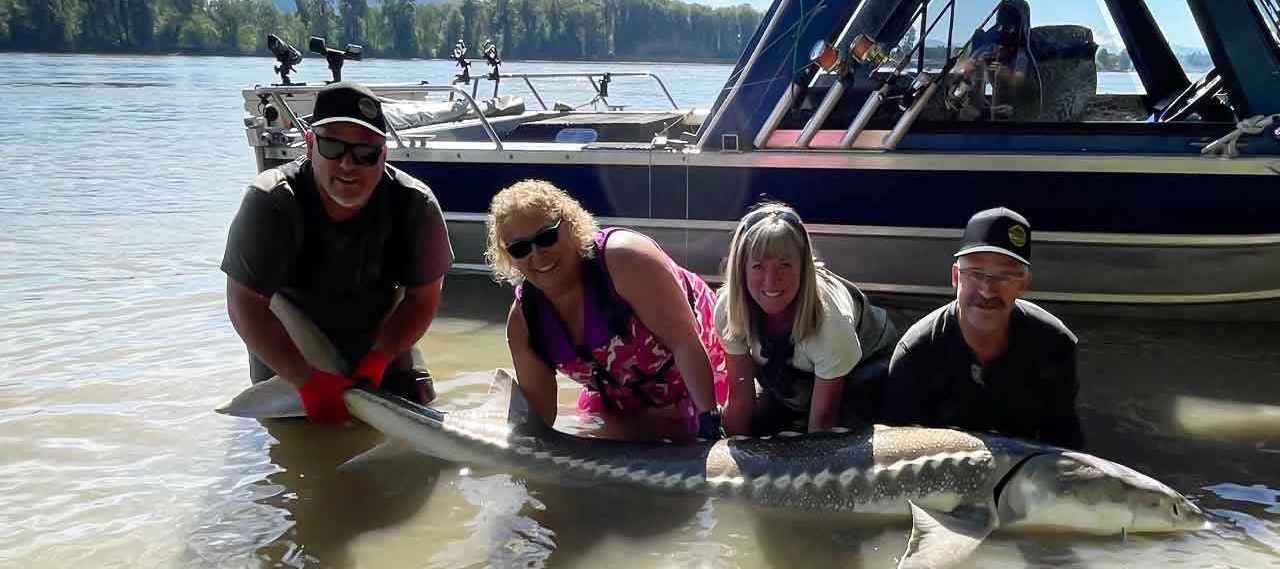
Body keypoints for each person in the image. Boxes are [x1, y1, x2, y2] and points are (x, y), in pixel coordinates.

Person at [222, 82, 454, 423]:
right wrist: (305, 379)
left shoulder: (414, 204)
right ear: (310, 143)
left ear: (384, 155)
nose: (348, 164)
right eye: (332, 146)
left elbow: (423, 299)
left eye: (365, 153)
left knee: (420, 421)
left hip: (378, 338)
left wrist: (381, 356)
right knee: (295, 448)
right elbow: (244, 305)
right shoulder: (270, 201)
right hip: (290, 343)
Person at [489, 180, 727, 441]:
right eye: (520, 249)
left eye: (547, 237)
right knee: (594, 440)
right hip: (622, 397)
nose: (537, 254)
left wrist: (710, 420)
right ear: (508, 255)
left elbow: (685, 343)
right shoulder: (525, 321)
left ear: (570, 225)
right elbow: (541, 421)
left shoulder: (624, 258)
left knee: (726, 437)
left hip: (704, 372)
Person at [881, 207, 1083, 449]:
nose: (987, 290)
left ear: (1024, 284)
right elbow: (896, 454)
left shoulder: (1055, 344)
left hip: (1018, 478)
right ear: (956, 277)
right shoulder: (915, 353)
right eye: (975, 274)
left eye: (1005, 276)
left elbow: (1064, 447)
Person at [715, 202, 899, 436]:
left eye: (785, 265)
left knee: (843, 432)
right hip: (796, 375)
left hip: (864, 364)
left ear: (804, 268)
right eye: (758, 266)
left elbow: (821, 428)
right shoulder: (728, 310)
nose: (771, 280)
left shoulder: (829, 321)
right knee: (761, 421)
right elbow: (741, 401)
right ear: (741, 269)